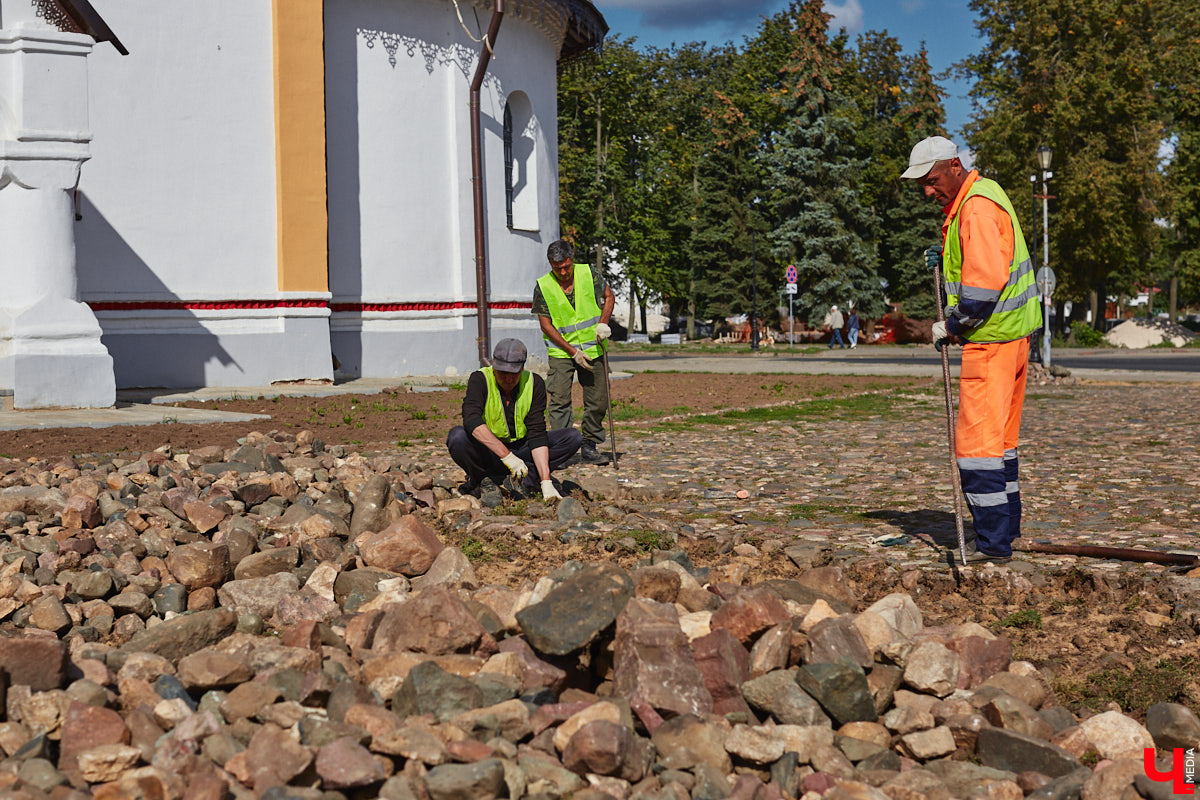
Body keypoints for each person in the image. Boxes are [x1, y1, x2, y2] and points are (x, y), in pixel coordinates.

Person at [901, 135, 1041, 564]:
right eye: (922, 185)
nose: (928, 191)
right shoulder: (984, 194)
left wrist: (950, 326)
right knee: (1001, 444)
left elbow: (982, 289)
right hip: (1013, 338)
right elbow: (983, 263)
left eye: (932, 180)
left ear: (954, 165)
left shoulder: (975, 208)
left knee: (978, 447)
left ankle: (993, 543)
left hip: (992, 341)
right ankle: (1007, 532)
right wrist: (945, 253)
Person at [446, 338, 581, 505]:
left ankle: (527, 479)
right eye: (503, 373)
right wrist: (507, 456)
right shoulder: (480, 379)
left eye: (514, 374)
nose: (508, 379)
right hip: (489, 451)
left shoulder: (534, 383)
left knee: (572, 437)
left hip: (521, 450)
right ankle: (483, 480)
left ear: (522, 367)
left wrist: (546, 480)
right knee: (457, 437)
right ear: (493, 364)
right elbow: (471, 420)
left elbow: (537, 433)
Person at [533, 240, 616, 465]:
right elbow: (546, 325)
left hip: (593, 348)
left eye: (566, 267)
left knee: (598, 400)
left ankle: (589, 446)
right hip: (561, 352)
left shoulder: (589, 273)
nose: (562, 272)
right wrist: (572, 352)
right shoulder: (543, 286)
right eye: (557, 268)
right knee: (559, 401)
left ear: (572, 259)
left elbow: (609, 297)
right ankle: (562, 449)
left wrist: (603, 323)